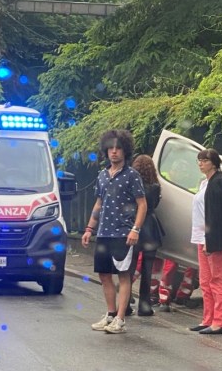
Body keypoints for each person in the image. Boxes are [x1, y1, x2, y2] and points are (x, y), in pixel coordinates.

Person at [81, 129, 147, 335]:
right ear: (106, 151)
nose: (114, 152)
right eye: (111, 148)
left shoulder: (132, 176)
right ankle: (110, 314)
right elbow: (99, 203)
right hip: (104, 232)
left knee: (123, 275)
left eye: (118, 148)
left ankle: (120, 318)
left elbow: (142, 204)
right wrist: (89, 228)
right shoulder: (102, 175)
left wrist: (135, 229)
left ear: (125, 151)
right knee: (104, 275)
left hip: (123, 233)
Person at [188, 147, 222, 335]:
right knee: (205, 281)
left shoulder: (219, 183)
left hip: (213, 239)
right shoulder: (205, 183)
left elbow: (218, 215)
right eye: (199, 160)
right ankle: (208, 318)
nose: (201, 163)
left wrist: (211, 239)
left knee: (218, 279)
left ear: (214, 162)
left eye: (205, 160)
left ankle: (220, 321)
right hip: (201, 237)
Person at [129, 153, 165, 317]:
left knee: (129, 266)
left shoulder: (132, 184)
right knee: (147, 269)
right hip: (150, 226)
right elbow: (155, 204)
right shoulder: (155, 186)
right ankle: (144, 305)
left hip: (134, 225)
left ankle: (126, 300)